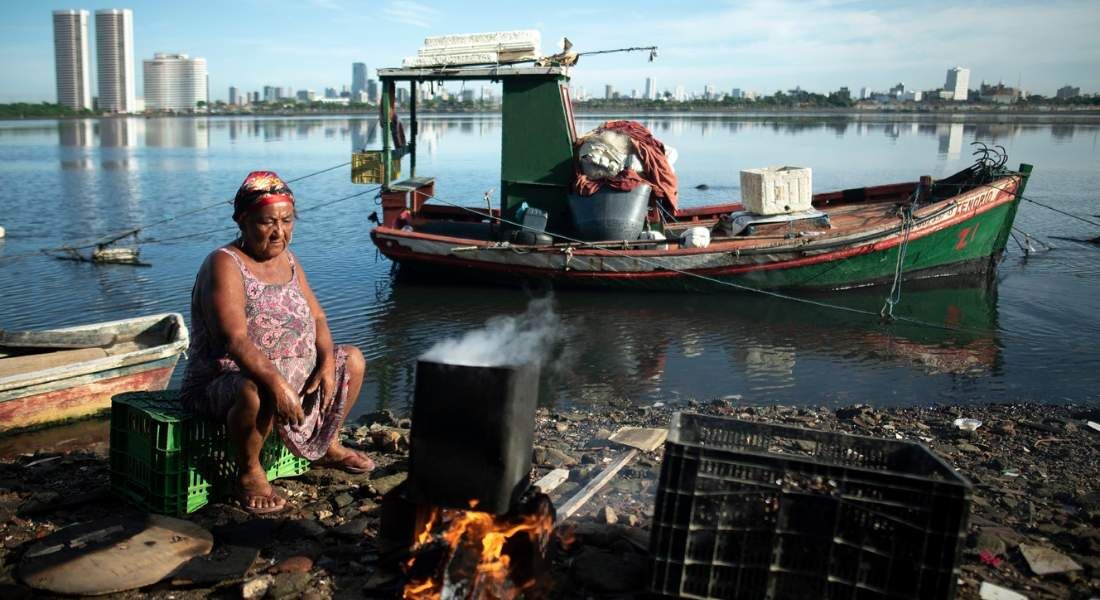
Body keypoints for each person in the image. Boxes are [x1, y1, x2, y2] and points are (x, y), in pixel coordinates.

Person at [181, 171, 374, 514]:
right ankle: (250, 472)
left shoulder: (289, 259)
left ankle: (327, 443)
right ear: (242, 220)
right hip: (225, 379)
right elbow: (235, 339)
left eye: (286, 221)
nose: (278, 232)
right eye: (267, 222)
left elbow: (317, 318)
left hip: (291, 372)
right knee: (255, 389)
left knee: (353, 359)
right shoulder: (224, 263)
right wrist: (278, 384)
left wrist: (326, 359)